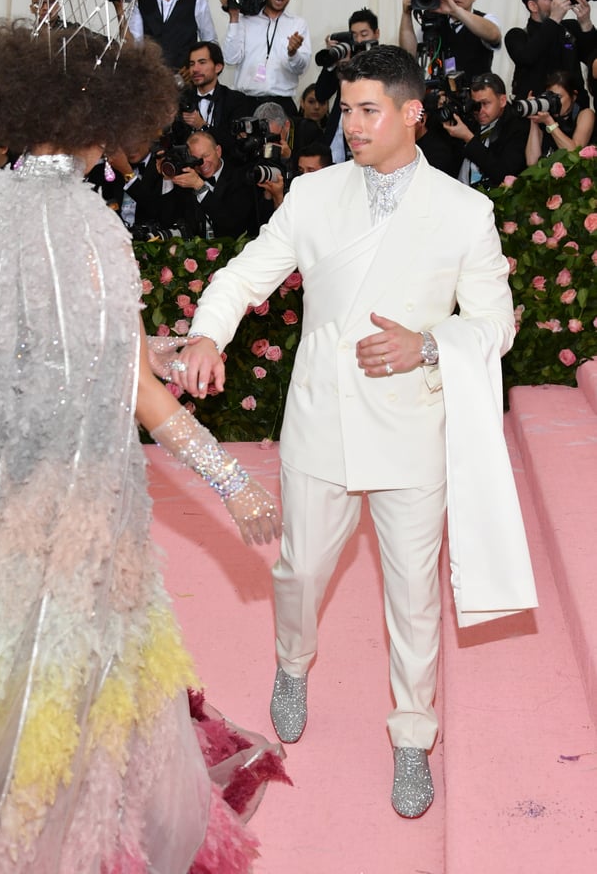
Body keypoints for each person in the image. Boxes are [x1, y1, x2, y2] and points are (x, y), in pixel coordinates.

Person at [0, 23, 285, 872]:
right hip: (80, 489)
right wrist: (231, 477)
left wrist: (139, 348)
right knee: (75, 647)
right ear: (109, 113)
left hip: (7, 477)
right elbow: (133, 392)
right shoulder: (88, 224)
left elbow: (14, 349)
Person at [172, 44, 537, 819]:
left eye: (369, 108)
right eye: (346, 109)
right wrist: (208, 332)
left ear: (412, 113)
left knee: (411, 597)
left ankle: (412, 737)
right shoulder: (313, 194)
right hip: (321, 423)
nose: (353, 123)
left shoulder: (463, 210)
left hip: (411, 427)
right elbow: (245, 275)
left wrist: (426, 342)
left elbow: (495, 321)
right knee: (299, 574)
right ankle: (291, 663)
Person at [221, 0, 311, 117]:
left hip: (282, 104)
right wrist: (234, 17)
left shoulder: (297, 24)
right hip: (245, 103)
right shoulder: (245, 20)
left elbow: (300, 68)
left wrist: (293, 53)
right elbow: (230, 59)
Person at [505, 0, 597, 106]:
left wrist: (586, 25)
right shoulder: (516, 35)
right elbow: (527, 57)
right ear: (533, 6)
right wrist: (554, 19)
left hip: (574, 113)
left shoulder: (570, 28)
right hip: (535, 112)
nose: (557, 2)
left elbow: (592, 59)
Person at [399, 0, 501, 83]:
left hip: (477, 94)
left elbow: (494, 35)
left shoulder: (486, 19)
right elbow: (408, 55)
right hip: (441, 95)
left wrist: (455, 11)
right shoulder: (433, 22)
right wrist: (406, 14)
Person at [315, 7, 380, 162]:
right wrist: (333, 64)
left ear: (376, 34)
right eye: (354, 35)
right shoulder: (346, 59)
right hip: (336, 142)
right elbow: (321, 94)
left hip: (368, 140)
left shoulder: (384, 61)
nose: (358, 41)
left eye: (364, 35)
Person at [443, 72, 529, 189]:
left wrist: (469, 138)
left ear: (502, 101)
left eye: (486, 103)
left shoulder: (516, 127)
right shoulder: (470, 118)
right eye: (476, 104)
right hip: (459, 189)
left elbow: (503, 174)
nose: (480, 110)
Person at [525, 69, 595, 166]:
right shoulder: (544, 117)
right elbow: (532, 163)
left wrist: (550, 123)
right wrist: (533, 120)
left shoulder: (585, 114)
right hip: (546, 177)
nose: (554, 101)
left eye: (559, 97)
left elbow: (574, 154)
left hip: (573, 177)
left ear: (573, 96)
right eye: (550, 96)